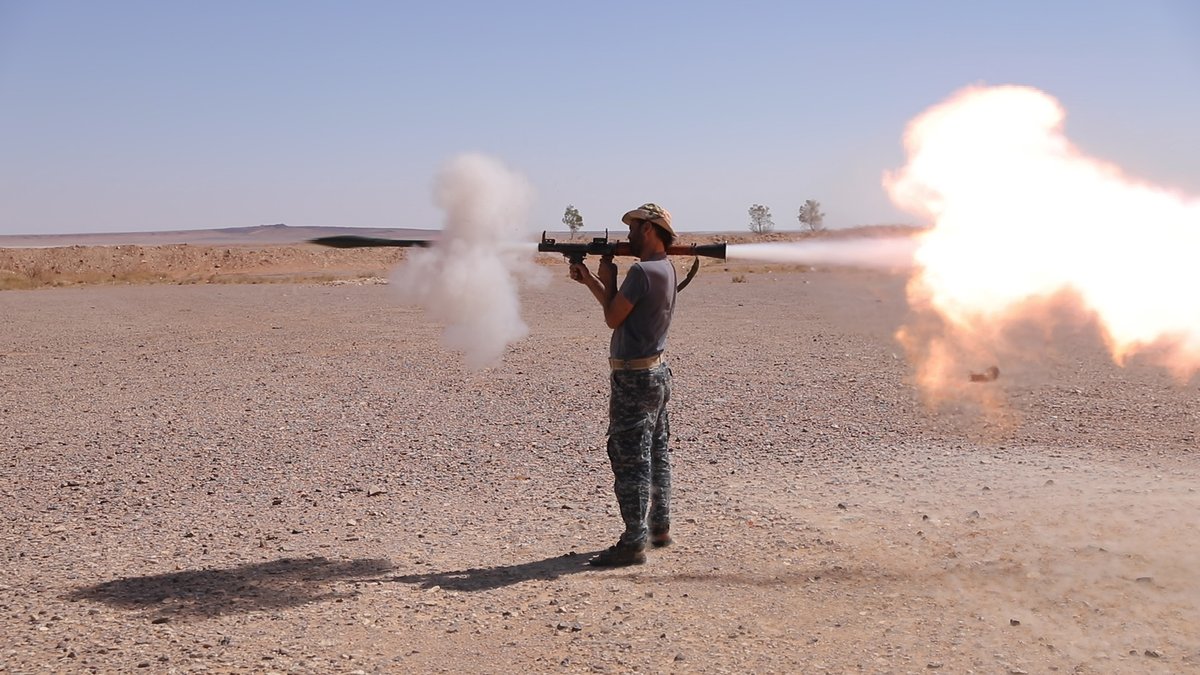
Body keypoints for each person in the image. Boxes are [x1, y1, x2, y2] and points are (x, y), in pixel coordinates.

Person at [569, 202, 678, 567]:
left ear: (648, 229)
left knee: (630, 457)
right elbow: (619, 312)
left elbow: (613, 317)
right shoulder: (665, 268)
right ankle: (658, 527)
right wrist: (590, 280)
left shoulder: (641, 272)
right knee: (656, 453)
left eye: (633, 228)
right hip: (656, 373)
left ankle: (633, 542)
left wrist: (609, 278)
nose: (628, 235)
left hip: (634, 377)